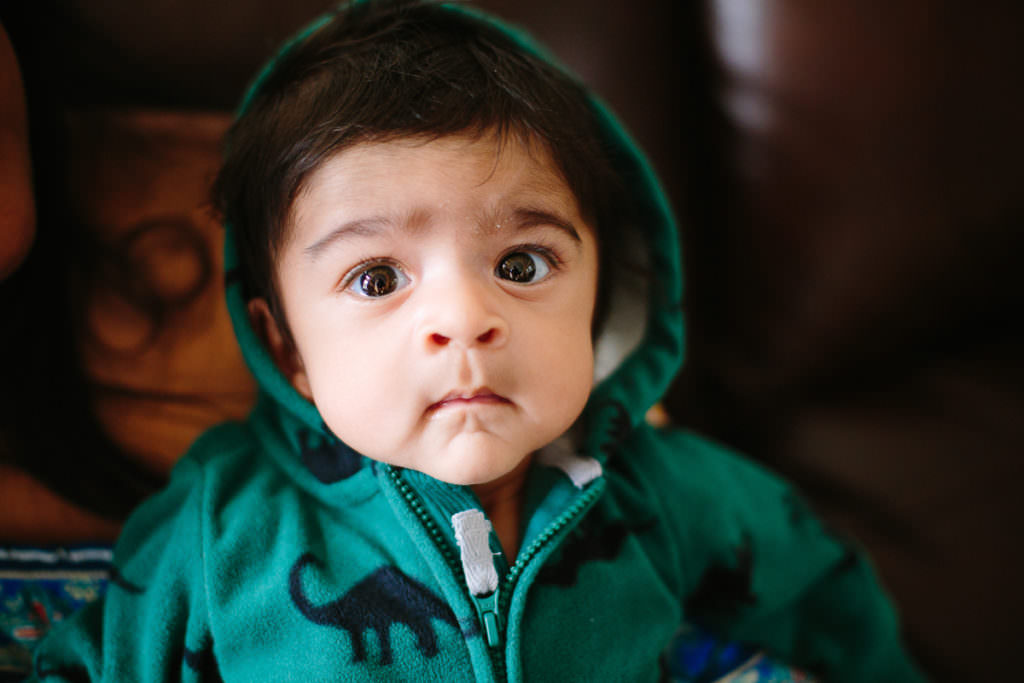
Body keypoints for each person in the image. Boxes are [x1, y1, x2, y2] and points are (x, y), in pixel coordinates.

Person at [28, 2, 925, 681]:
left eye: (524, 265)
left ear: (600, 301)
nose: (463, 318)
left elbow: (823, 593)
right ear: (291, 348)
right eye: (378, 278)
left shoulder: (667, 490)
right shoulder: (220, 522)